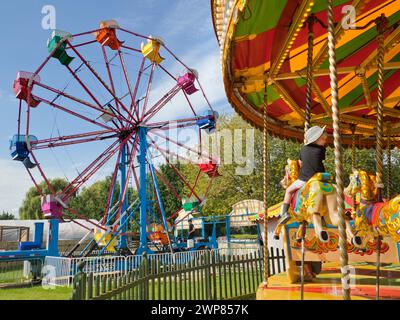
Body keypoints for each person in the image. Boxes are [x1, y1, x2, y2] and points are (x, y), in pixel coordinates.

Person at [279, 126, 328, 224]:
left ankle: (284, 213)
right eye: (323, 139)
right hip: (321, 178)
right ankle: (323, 215)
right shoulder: (322, 149)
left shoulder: (303, 149)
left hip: (305, 179)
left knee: (288, 191)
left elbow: (300, 163)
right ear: (316, 139)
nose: (325, 142)